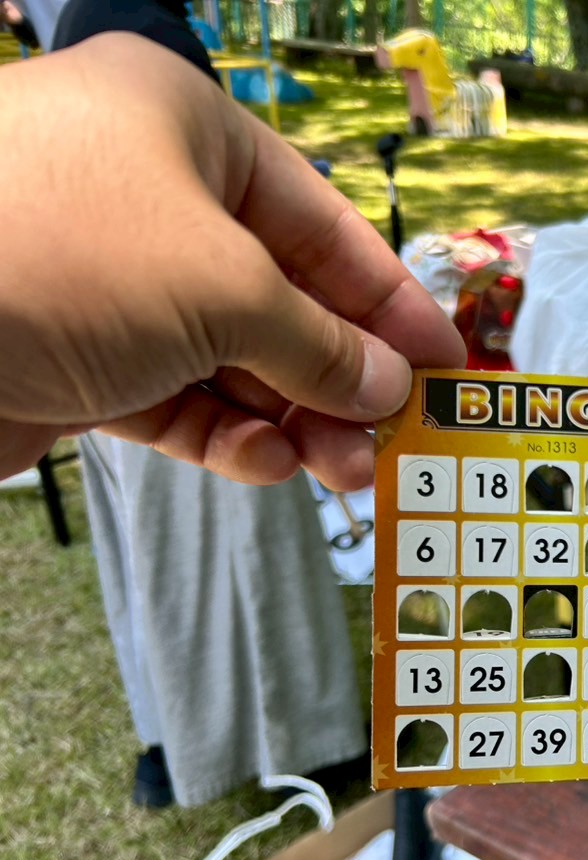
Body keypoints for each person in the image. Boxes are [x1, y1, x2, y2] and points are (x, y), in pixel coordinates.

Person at [0, 32, 464, 802]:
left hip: (147, 363)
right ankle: (272, 746)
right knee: (226, 521)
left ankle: (206, 743)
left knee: (182, 530)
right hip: (178, 358)